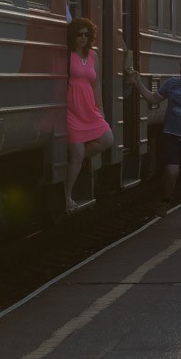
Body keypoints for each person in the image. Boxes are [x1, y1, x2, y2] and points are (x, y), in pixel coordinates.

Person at [129, 55, 181, 231]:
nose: (180, 69)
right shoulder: (172, 84)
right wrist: (138, 83)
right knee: (171, 170)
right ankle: (166, 199)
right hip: (172, 135)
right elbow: (153, 98)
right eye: (180, 65)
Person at [65, 18, 113, 213]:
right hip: (71, 109)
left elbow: (96, 84)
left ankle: (73, 164)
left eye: (86, 34)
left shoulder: (93, 56)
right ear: (73, 36)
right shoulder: (67, 55)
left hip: (89, 109)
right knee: (76, 153)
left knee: (107, 138)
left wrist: (100, 109)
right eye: (79, 34)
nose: (83, 38)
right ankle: (67, 195)